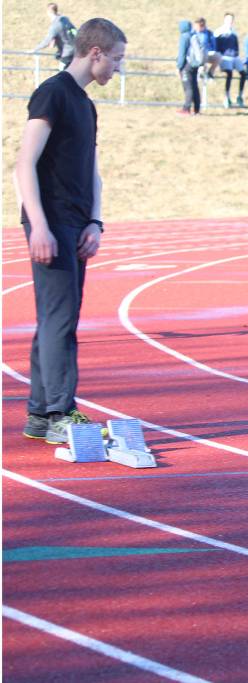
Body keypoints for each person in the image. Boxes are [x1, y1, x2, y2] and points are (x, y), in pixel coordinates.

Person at [13, 18, 126, 445]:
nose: (117, 68)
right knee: (59, 320)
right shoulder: (53, 93)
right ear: (94, 52)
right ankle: (60, 412)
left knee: (58, 319)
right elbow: (24, 162)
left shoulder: (86, 104)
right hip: (52, 219)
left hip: (77, 223)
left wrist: (96, 222)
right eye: (115, 59)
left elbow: (92, 169)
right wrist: (39, 225)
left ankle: (42, 413)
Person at [214, 12, 246, 108]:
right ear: (224, 20)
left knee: (243, 73)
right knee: (230, 73)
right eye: (228, 19)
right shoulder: (219, 31)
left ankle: (240, 96)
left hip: (234, 57)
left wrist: (236, 55)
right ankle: (227, 97)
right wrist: (218, 60)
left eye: (231, 19)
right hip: (224, 57)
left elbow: (236, 46)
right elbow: (216, 46)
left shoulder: (234, 32)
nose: (230, 21)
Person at [32, 3, 76, 70]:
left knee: (62, 73)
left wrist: (35, 49)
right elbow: (73, 30)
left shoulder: (55, 26)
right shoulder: (65, 19)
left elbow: (47, 41)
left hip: (67, 53)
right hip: (75, 50)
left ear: (48, 12)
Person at [175, 19, 200, 115]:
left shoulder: (184, 37)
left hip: (187, 65)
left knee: (188, 87)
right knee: (194, 86)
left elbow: (182, 54)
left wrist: (179, 66)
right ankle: (197, 109)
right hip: (195, 64)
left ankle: (186, 109)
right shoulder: (193, 36)